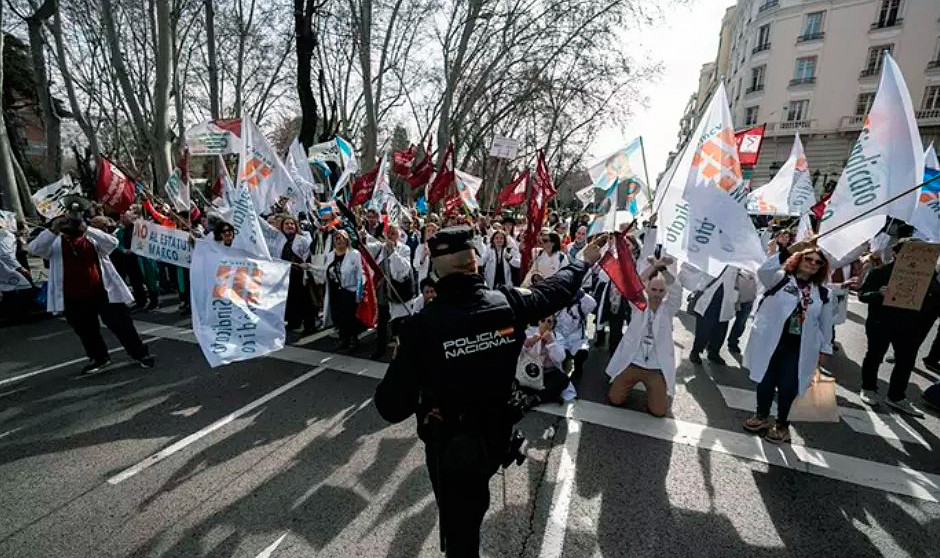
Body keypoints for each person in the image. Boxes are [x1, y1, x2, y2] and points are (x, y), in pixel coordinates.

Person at [374, 225, 605, 557]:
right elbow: (556, 290)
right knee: (472, 507)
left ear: (436, 269)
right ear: (475, 262)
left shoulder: (421, 327)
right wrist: (582, 261)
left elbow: (390, 407)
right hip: (495, 437)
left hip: (452, 446)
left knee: (460, 533)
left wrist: (405, 354)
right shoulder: (507, 302)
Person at [27, 203, 154, 374]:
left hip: (102, 291)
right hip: (73, 295)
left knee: (122, 324)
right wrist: (53, 230)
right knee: (86, 330)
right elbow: (34, 249)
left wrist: (86, 228)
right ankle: (99, 358)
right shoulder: (55, 241)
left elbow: (113, 243)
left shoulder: (92, 238)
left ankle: (140, 354)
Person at [743, 243, 833, 443]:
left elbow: (826, 325)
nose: (812, 264)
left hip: (799, 348)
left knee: (788, 385)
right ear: (799, 259)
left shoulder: (823, 294)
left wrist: (825, 348)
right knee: (765, 381)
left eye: (818, 262)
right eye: (808, 259)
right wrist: (790, 249)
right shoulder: (779, 279)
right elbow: (763, 270)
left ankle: (782, 424)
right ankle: (761, 416)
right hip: (771, 341)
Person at [857, 239, 939, 417]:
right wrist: (879, 294)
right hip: (881, 323)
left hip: (910, 325)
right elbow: (862, 295)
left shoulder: (927, 277)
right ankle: (868, 388)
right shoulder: (880, 272)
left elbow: (935, 299)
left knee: (906, 361)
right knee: (875, 355)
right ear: (896, 253)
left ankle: (896, 397)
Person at [606, 253, 681, 416]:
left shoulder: (669, 309)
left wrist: (664, 270)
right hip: (633, 361)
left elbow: (676, 290)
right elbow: (634, 284)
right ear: (647, 289)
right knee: (615, 399)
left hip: (655, 367)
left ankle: (654, 394)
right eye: (653, 289)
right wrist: (654, 266)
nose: (657, 294)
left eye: (661, 291)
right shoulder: (639, 305)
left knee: (659, 412)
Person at [365, 222, 414, 359]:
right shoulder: (380, 248)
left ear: (399, 235)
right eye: (389, 233)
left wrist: (393, 252)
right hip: (383, 292)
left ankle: (402, 351)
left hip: (397, 291)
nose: (391, 236)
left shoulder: (404, 249)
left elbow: (402, 270)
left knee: (399, 324)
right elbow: (367, 248)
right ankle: (380, 349)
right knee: (382, 322)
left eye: (394, 233)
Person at [682, 264, 738, 365]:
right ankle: (695, 352)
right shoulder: (714, 256)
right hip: (709, 300)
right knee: (703, 330)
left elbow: (736, 282)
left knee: (720, 331)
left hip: (725, 301)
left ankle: (714, 352)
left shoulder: (737, 262)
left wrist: (735, 300)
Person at [323, 229, 365, 352]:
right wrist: (309, 267)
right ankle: (343, 339)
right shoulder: (330, 255)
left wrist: (359, 292)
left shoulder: (354, 254)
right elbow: (324, 270)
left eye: (342, 238)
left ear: (347, 240)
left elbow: (360, 274)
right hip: (336, 291)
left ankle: (353, 340)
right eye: (337, 238)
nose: (339, 240)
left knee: (350, 317)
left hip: (349, 291)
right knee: (339, 317)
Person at [725, 269, 757, 354]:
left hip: (748, 299)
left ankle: (733, 342)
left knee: (741, 323)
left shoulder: (758, 264)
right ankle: (712, 343)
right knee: (722, 320)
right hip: (732, 296)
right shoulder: (737, 264)